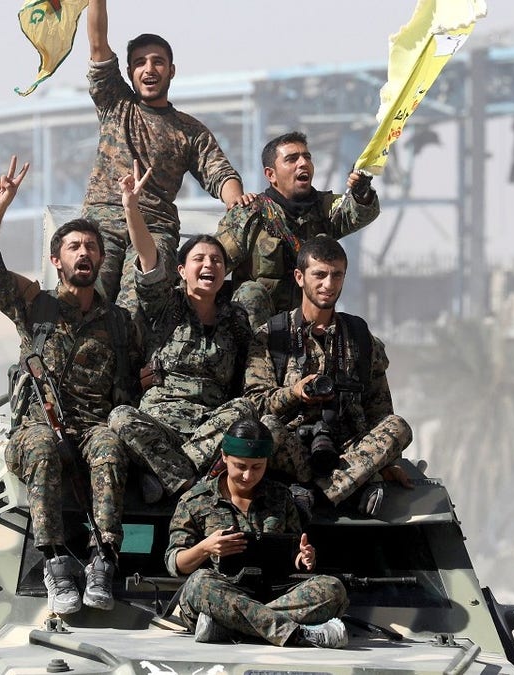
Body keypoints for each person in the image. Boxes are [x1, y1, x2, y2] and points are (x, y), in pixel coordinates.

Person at [0, 156, 139, 614]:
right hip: (34, 431)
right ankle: (56, 562)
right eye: (74, 246)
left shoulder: (119, 322)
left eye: (91, 247)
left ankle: (103, 561)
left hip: (89, 430)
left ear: (101, 259)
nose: (84, 253)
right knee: (41, 445)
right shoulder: (35, 306)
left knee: (109, 446)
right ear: (55, 259)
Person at [83, 0, 253, 309]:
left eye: (158, 62)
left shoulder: (189, 130)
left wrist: (235, 199)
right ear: (130, 71)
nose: (149, 69)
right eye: (140, 62)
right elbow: (97, 44)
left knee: (140, 303)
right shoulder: (115, 103)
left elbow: (220, 172)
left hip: (153, 228)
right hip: (102, 222)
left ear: (171, 70)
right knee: (87, 298)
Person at [108, 161, 257, 503]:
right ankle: (190, 485)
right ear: (181, 270)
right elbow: (148, 259)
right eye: (200, 259)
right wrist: (132, 208)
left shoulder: (235, 318)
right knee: (120, 417)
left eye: (217, 260)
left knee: (245, 411)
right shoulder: (166, 306)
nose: (209, 265)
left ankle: (168, 474)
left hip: (209, 428)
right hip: (158, 424)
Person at [244, 235, 412, 510]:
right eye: (319, 275)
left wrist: (386, 461)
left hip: (347, 449)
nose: (328, 285)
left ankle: (321, 492)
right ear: (300, 277)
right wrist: (294, 393)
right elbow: (255, 404)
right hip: (292, 448)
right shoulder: (272, 335)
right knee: (266, 429)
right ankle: (349, 488)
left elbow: (379, 406)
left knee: (398, 426)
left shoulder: (359, 335)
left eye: (337, 275)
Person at [165, 419, 350, 648]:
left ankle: (227, 625)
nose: (247, 476)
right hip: (223, 592)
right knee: (198, 584)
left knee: (332, 589)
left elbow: (293, 551)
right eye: (240, 466)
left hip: (272, 592)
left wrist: (303, 559)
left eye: (257, 467)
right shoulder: (195, 501)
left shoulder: (280, 497)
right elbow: (176, 563)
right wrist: (205, 548)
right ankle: (297, 634)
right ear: (224, 456)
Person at [217, 131, 381, 329]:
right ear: (271, 174)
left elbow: (358, 212)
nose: (303, 163)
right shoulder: (249, 214)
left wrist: (361, 192)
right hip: (260, 335)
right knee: (251, 293)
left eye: (307, 157)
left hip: (306, 326)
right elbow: (212, 265)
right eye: (292, 159)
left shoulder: (324, 208)